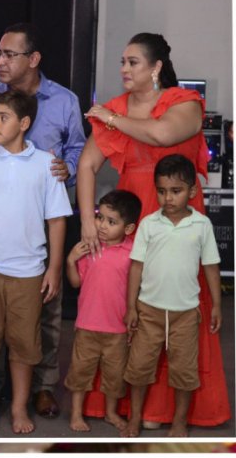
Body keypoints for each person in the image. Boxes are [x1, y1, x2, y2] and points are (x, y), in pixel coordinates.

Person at [79, 32, 230, 428]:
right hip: (135, 215)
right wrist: (86, 222)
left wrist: (110, 119)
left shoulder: (183, 102)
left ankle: (171, 410)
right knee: (132, 308)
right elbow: (86, 166)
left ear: (156, 67)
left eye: (133, 62)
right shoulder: (115, 107)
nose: (124, 69)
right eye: (122, 62)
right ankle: (129, 405)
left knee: (179, 305)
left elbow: (162, 134)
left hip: (176, 213)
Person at [0, 22, 86, 418]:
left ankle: (44, 386)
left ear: (33, 59)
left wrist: (65, 168)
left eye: (9, 54)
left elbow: (78, 149)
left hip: (42, 217)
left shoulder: (64, 100)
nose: (0, 61)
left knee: (42, 312)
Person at [0, 90, 72, 435]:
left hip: (29, 270)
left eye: (2, 117)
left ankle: (20, 407)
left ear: (24, 123)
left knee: (24, 344)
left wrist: (53, 268)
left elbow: (57, 220)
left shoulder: (46, 165)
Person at [122, 155, 222, 437]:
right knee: (139, 368)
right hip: (148, 311)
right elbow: (136, 267)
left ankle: (179, 422)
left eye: (176, 191)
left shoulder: (202, 225)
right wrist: (131, 307)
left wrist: (216, 305)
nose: (168, 198)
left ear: (192, 191)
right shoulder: (149, 224)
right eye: (162, 191)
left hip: (185, 314)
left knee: (183, 371)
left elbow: (211, 267)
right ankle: (135, 417)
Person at [63, 190, 141, 433]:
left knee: (114, 375)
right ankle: (76, 414)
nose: (102, 226)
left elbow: (136, 288)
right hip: (87, 325)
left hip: (117, 328)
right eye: (100, 217)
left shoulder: (133, 253)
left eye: (111, 221)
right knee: (80, 372)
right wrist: (70, 261)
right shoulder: (90, 247)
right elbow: (76, 283)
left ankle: (110, 412)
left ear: (128, 229)